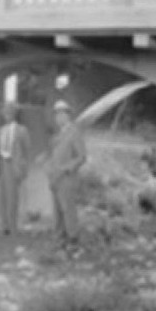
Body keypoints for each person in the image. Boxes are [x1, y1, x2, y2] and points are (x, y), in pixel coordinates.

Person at [45, 100, 88, 249]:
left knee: (68, 210)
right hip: (56, 178)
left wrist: (66, 168)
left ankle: (73, 241)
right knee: (57, 212)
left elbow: (81, 157)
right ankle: (59, 241)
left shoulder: (74, 133)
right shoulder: (57, 136)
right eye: (56, 114)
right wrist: (49, 171)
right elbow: (53, 156)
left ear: (68, 115)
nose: (58, 118)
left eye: (62, 114)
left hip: (67, 179)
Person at [0, 102, 33, 235]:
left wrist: (23, 169)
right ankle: (4, 225)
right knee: (3, 197)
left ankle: (13, 226)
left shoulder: (21, 130)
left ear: (14, 114)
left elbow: (27, 151)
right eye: (5, 113)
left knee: (13, 197)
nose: (7, 115)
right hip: (3, 164)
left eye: (9, 112)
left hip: (14, 164)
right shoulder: (1, 130)